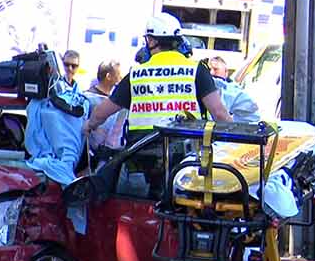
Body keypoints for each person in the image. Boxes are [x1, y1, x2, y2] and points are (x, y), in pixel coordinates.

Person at [80, 13, 231, 198]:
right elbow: (220, 114)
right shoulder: (196, 70)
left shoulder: (137, 74)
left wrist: (89, 126)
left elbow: (102, 112)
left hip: (142, 159)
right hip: (186, 158)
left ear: (151, 40)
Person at [206, 55, 262, 124]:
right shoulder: (199, 84)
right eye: (209, 70)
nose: (211, 72)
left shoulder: (233, 92)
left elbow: (251, 120)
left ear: (226, 72)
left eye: (216, 69)